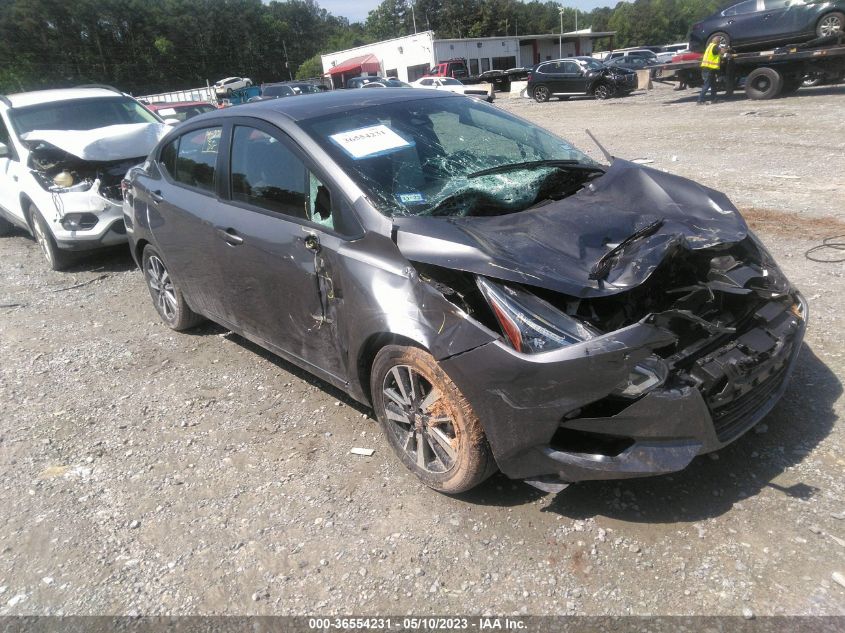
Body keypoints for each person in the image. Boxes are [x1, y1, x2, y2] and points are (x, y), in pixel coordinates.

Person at [698, 40, 725, 104]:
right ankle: (700, 100)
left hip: (709, 68)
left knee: (713, 85)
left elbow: (717, 54)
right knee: (707, 85)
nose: (719, 44)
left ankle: (714, 99)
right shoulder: (715, 47)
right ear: (717, 42)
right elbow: (721, 52)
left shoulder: (709, 46)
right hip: (709, 69)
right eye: (719, 42)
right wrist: (724, 49)